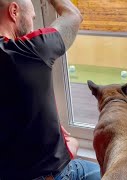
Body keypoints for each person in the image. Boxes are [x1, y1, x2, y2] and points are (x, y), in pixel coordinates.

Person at [0, 0, 100, 179]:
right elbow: (73, 16)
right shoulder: (27, 51)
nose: (32, 25)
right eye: (32, 17)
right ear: (14, 11)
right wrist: (63, 153)